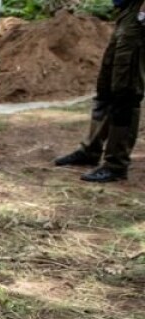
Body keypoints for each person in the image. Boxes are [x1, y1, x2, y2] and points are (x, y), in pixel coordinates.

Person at [53, 1, 144, 183]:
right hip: (126, 12)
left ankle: (116, 165)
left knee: (125, 92)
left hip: (137, 14)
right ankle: (90, 150)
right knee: (106, 89)